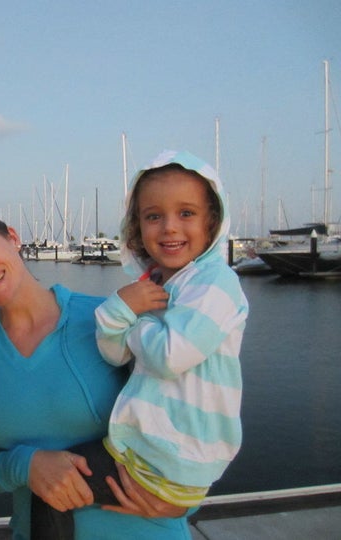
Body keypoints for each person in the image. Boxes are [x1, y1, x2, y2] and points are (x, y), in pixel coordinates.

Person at [0, 206, 192, 540]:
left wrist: (186, 502)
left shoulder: (108, 318)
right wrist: (27, 466)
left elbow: (193, 413)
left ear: (12, 238)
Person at [32, 150, 249, 539]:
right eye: (154, 216)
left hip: (174, 459)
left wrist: (129, 317)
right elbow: (112, 352)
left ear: (212, 220)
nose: (169, 227)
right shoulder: (155, 285)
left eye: (186, 213)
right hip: (149, 451)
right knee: (55, 476)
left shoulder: (216, 284)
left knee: (51, 484)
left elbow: (171, 355)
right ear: (137, 225)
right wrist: (122, 308)